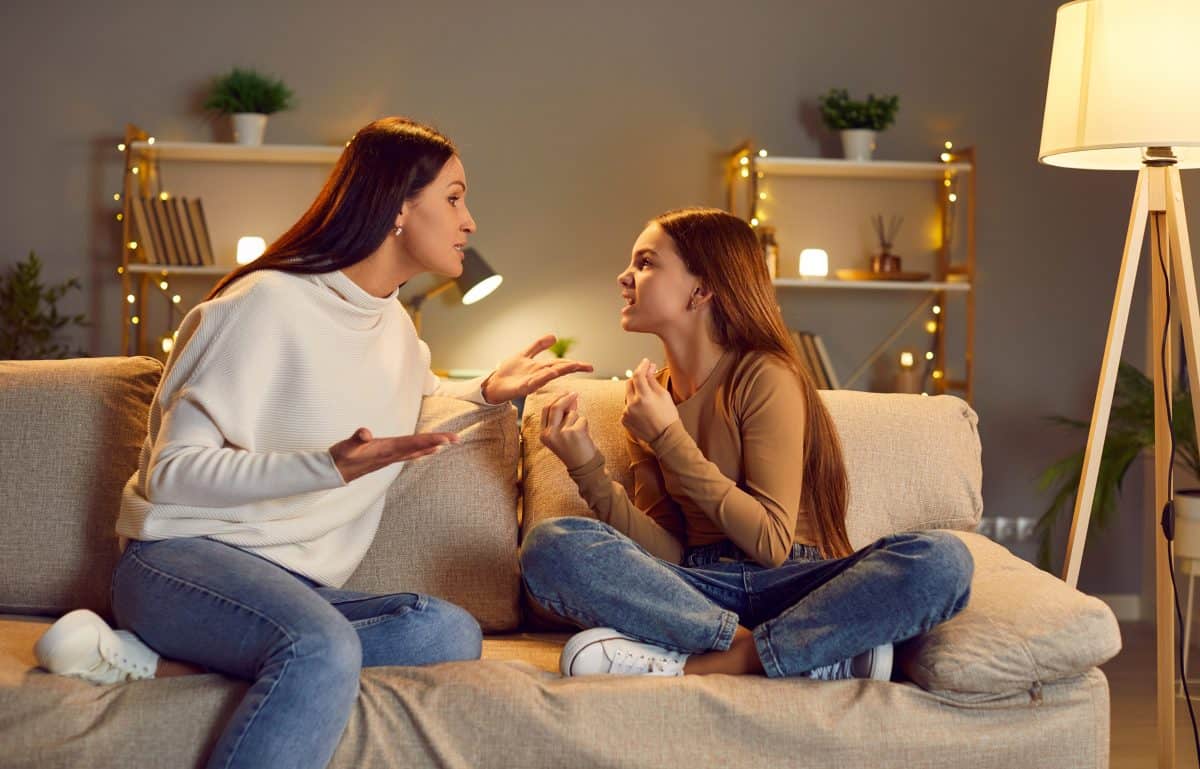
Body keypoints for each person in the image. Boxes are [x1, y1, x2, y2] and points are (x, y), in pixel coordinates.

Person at [33, 117, 590, 769]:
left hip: (293, 587)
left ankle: (154, 665)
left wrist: (487, 393)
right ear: (398, 207)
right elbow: (172, 475)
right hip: (178, 562)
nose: (469, 221)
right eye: (455, 197)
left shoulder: (396, 331)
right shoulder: (263, 304)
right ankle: (241, 650)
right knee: (323, 646)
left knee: (449, 629)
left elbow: (409, 411)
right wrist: (322, 468)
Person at [522, 206, 973, 681]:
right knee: (552, 546)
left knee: (941, 560)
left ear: (702, 289)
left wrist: (668, 435)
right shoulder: (649, 398)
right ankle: (799, 653)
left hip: (794, 583)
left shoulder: (763, 374)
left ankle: (708, 663)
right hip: (696, 587)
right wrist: (586, 468)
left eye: (646, 262)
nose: (624, 277)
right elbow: (665, 557)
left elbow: (772, 544)